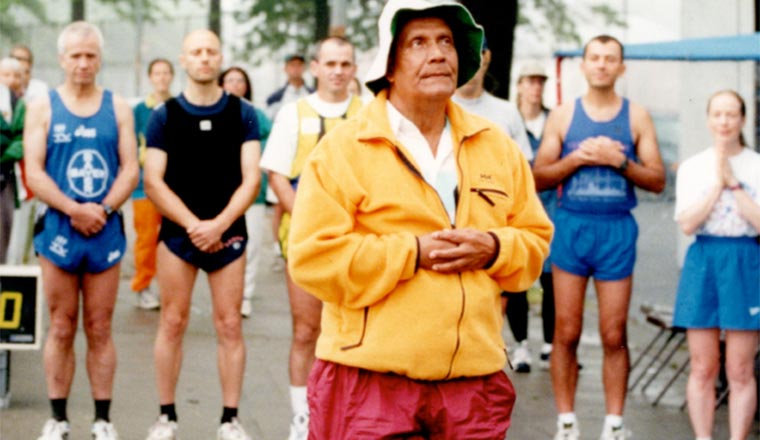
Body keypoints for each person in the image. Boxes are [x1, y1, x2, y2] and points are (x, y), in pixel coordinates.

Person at [287, 0, 553, 438]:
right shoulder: (343, 150)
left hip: (474, 385)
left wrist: (495, 248)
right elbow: (314, 259)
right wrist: (412, 253)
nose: (437, 54)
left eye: (446, 41)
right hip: (370, 382)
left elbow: (534, 243)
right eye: (419, 43)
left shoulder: (496, 145)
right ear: (389, 64)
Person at [533, 34, 666, 440]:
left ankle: (614, 424)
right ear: (584, 65)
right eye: (595, 58)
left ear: (621, 68)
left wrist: (619, 161)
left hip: (615, 229)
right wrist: (577, 158)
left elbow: (658, 179)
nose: (603, 65)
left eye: (611, 59)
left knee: (613, 333)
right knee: (566, 331)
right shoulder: (562, 115)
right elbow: (537, 176)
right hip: (572, 227)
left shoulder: (637, 116)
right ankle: (567, 422)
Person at [23, 21, 139, 439]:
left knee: (100, 326)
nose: (83, 63)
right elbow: (33, 172)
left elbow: (130, 168)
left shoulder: (119, 107)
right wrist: (74, 208)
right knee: (60, 324)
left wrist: (103, 208)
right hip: (59, 228)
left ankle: (103, 420)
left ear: (100, 58)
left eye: (90, 55)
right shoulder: (44, 107)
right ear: (62, 59)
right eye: (76, 55)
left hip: (104, 228)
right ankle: (57, 418)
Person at [143, 29, 260, 440]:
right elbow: (153, 181)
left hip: (228, 235)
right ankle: (166, 417)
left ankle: (230, 419)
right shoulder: (165, 115)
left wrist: (219, 225)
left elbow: (251, 179)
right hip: (179, 236)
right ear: (184, 59)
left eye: (211, 51)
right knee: (172, 322)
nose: (205, 58)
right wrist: (194, 225)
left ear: (221, 56)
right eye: (196, 51)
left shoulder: (243, 113)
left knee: (229, 324)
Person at [259, 36, 362, 440]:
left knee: (354, 332)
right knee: (306, 329)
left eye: (345, 64)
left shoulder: (369, 113)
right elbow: (277, 174)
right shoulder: (293, 113)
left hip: (357, 241)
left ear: (354, 70)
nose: (338, 71)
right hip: (303, 237)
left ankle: (349, 413)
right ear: (315, 67)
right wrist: (309, 219)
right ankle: (302, 414)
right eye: (330, 63)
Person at [672, 90, 760, 440]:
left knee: (739, 369)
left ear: (742, 119)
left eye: (731, 114)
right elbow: (688, 224)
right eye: (718, 114)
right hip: (704, 260)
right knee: (703, 366)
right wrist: (715, 185)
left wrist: (735, 184)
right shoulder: (693, 166)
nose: (724, 121)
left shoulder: (756, 164)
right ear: (708, 119)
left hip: (745, 260)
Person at [452, 39, 535, 373]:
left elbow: (523, 172)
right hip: (444, 222)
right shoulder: (438, 105)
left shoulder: (505, 112)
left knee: (491, 305)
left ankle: (486, 366)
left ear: (487, 57)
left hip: (492, 226)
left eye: (478, 52)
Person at [510, 61, 556, 372]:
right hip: (517, 208)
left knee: (551, 279)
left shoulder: (554, 121)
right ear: (520, 85)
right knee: (518, 279)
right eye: (530, 81)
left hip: (551, 206)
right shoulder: (511, 120)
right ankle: (521, 345)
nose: (536, 87)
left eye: (541, 82)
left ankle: (550, 344)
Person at [219, 66, 273, 318]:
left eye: (240, 80)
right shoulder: (215, 113)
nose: (234, 84)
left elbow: (270, 144)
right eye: (229, 80)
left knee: (249, 245)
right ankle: (225, 295)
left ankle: (245, 295)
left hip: (254, 192)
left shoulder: (254, 114)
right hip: (221, 194)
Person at [130, 58, 174, 310]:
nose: (162, 77)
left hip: (173, 184)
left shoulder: (179, 106)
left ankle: (168, 286)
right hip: (144, 186)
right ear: (150, 77)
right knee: (146, 238)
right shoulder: (140, 111)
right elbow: (132, 143)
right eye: (157, 73)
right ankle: (142, 285)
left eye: (166, 73)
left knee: (170, 239)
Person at [7, 45, 47, 265]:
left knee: (24, 238)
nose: (18, 67)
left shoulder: (38, 92)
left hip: (29, 178)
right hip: (11, 178)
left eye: (22, 63)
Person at [0, 60, 25, 263]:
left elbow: (22, 139)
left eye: (16, 75)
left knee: (4, 229)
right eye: (5, 75)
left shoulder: (21, 105)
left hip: (6, 177)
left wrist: (6, 156)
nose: (11, 80)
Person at [265, 54, 313, 120]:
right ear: (285, 68)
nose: (296, 68)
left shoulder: (314, 94)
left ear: (304, 68)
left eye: (299, 65)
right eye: (292, 65)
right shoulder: (276, 98)